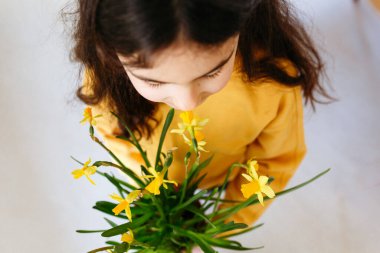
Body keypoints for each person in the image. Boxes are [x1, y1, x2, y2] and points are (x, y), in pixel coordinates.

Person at [69, 0, 331, 232]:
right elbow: (115, 138)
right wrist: (154, 191)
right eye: (155, 83)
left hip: (229, 182)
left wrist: (220, 226)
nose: (187, 103)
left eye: (212, 73)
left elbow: (276, 160)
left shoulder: (272, 83)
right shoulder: (104, 86)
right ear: (108, 51)